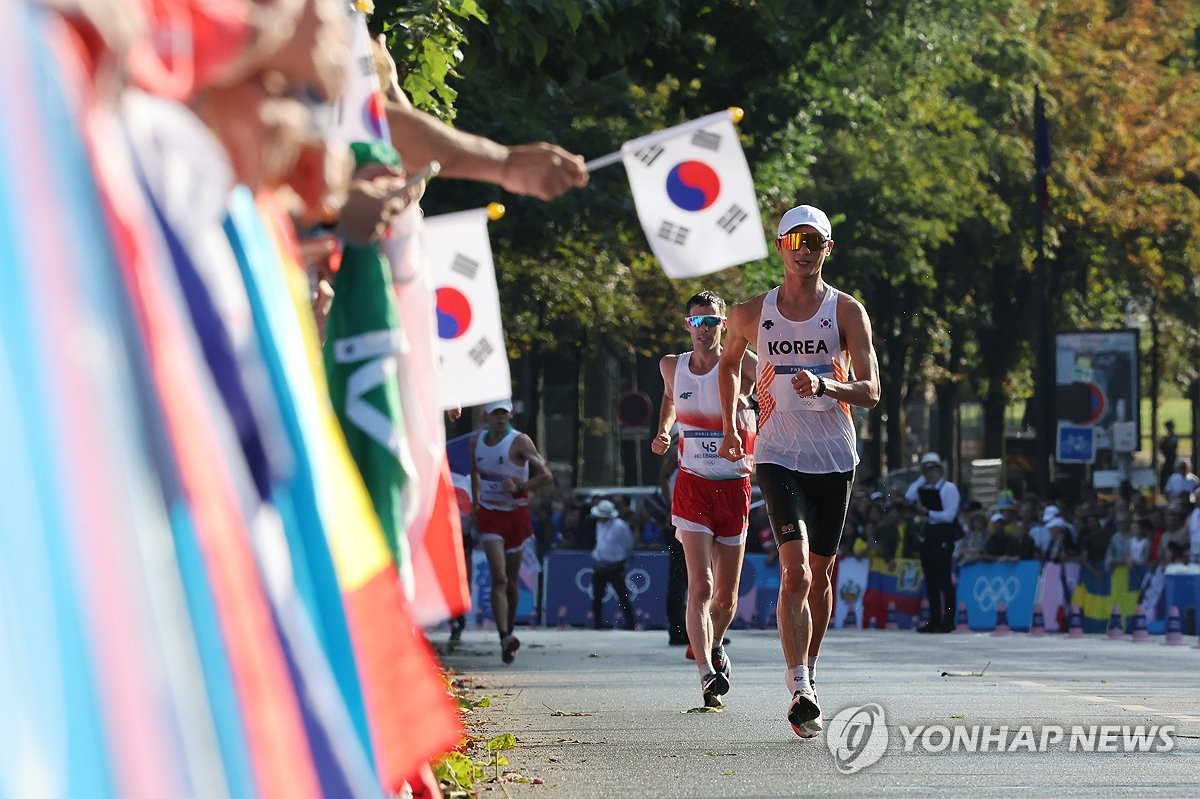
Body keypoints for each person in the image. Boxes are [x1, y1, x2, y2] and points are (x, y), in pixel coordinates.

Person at [717, 204, 880, 737]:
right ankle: (800, 685)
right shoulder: (750, 312)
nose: (804, 249)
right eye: (795, 240)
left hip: (833, 456)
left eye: (814, 241)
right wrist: (727, 423)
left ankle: (809, 668)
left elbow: (872, 390)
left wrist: (827, 385)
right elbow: (727, 363)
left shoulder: (847, 311)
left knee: (823, 576)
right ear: (781, 247)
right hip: (776, 454)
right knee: (797, 572)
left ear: (827, 249)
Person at [650, 290, 758, 708]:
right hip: (692, 484)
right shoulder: (671, 366)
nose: (705, 330)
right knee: (702, 585)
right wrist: (664, 429)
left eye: (712, 322)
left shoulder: (743, 364)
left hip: (735, 486)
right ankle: (706, 676)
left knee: (725, 598)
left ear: (723, 325)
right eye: (698, 322)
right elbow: (669, 396)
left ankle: (711, 645)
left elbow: (771, 395)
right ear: (687, 325)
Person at [470, 398, 553, 664]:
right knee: (500, 578)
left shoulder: (520, 441)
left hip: (516, 515)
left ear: (510, 415)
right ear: (487, 415)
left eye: (504, 414)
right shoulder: (477, 441)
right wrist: (475, 504)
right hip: (489, 514)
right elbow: (474, 473)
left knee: (513, 582)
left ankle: (510, 631)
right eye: (495, 414)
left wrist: (521, 487)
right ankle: (504, 635)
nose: (500, 419)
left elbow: (546, 475)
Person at [905, 452, 961, 633]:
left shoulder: (949, 488)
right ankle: (935, 619)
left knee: (944, 579)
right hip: (930, 534)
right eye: (926, 470)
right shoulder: (926, 487)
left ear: (940, 470)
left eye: (933, 469)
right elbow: (909, 495)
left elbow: (949, 515)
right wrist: (923, 477)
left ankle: (949, 620)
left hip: (943, 533)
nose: (930, 473)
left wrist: (927, 512)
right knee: (931, 580)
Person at [657, 438, 689, 647]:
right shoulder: (680, 449)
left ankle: (701, 629)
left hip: (693, 516)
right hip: (679, 520)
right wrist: (672, 506)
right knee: (680, 578)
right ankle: (677, 629)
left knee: (691, 577)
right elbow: (663, 478)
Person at [589, 500, 637, 630]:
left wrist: (624, 558)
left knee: (622, 595)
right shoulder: (599, 524)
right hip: (601, 564)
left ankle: (631, 622)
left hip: (616, 565)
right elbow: (600, 541)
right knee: (597, 595)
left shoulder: (620, 526)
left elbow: (628, 543)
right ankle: (597, 622)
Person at [1159, 420, 1180, 492]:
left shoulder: (1174, 436)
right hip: (1168, 458)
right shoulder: (1167, 437)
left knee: (1170, 473)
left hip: (1172, 459)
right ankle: (1163, 490)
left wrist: (1164, 441)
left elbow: (1170, 446)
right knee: (1164, 474)